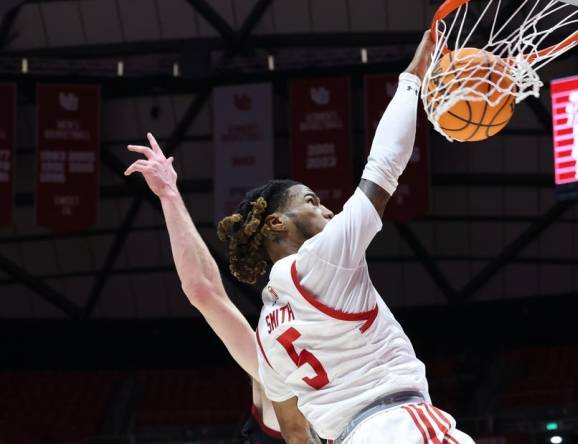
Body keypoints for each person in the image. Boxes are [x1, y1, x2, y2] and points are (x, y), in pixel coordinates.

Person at [125, 30, 473, 443]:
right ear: (277, 223)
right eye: (311, 200)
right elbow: (385, 166)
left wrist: (169, 194)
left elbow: (204, 292)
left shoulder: (270, 337)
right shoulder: (323, 260)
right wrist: (412, 78)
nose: (325, 208)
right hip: (401, 424)